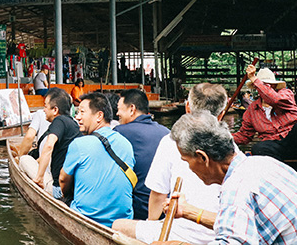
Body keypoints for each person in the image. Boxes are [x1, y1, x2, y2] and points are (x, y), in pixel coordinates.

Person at [152, 111, 297, 245]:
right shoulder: (264, 163)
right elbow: (239, 225)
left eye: (187, 161)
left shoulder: (236, 188)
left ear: (203, 158)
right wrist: (188, 211)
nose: (188, 168)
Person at [112, 82, 228, 245]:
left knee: (117, 226)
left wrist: (151, 224)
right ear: (221, 114)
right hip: (221, 234)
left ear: (187, 108)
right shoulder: (232, 148)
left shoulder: (172, 140)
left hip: (184, 233)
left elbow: (158, 195)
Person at [59, 92, 135, 227]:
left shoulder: (79, 144)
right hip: (122, 221)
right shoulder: (126, 143)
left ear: (99, 116)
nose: (77, 117)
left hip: (86, 218)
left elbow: (63, 179)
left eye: (82, 112)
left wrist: (68, 197)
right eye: (77, 113)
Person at [232, 65, 297, 179]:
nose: (267, 88)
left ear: (275, 86)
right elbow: (244, 136)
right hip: (276, 146)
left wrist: (254, 79)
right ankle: (282, 174)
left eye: (269, 85)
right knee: (258, 148)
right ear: (257, 88)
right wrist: (222, 136)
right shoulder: (251, 110)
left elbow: (274, 99)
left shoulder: (286, 94)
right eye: (264, 85)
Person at [113, 89, 169, 220]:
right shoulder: (166, 132)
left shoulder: (120, 132)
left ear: (132, 109)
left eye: (119, 109)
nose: (117, 113)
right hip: (166, 207)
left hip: (140, 208)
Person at [23, 88, 81, 198]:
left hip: (59, 190)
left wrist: (39, 178)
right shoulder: (73, 123)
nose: (44, 110)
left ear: (55, 110)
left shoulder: (58, 121)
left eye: (45, 106)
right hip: (74, 188)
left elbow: (49, 145)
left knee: (24, 160)